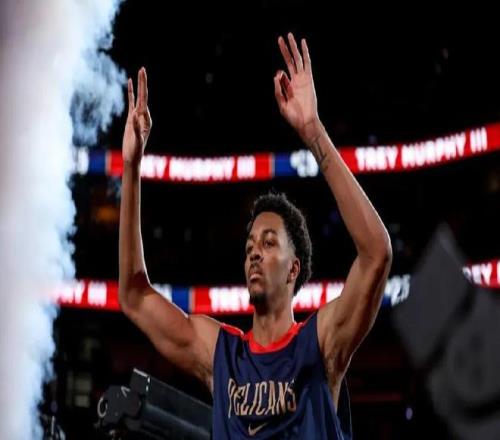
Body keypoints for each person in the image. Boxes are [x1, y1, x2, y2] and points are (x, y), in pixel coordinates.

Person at [119, 32, 392, 439]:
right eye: (249, 246)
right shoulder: (222, 354)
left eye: (268, 243)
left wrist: (313, 131)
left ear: (294, 269)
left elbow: (376, 254)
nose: (254, 253)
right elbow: (134, 295)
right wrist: (131, 167)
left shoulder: (320, 343)